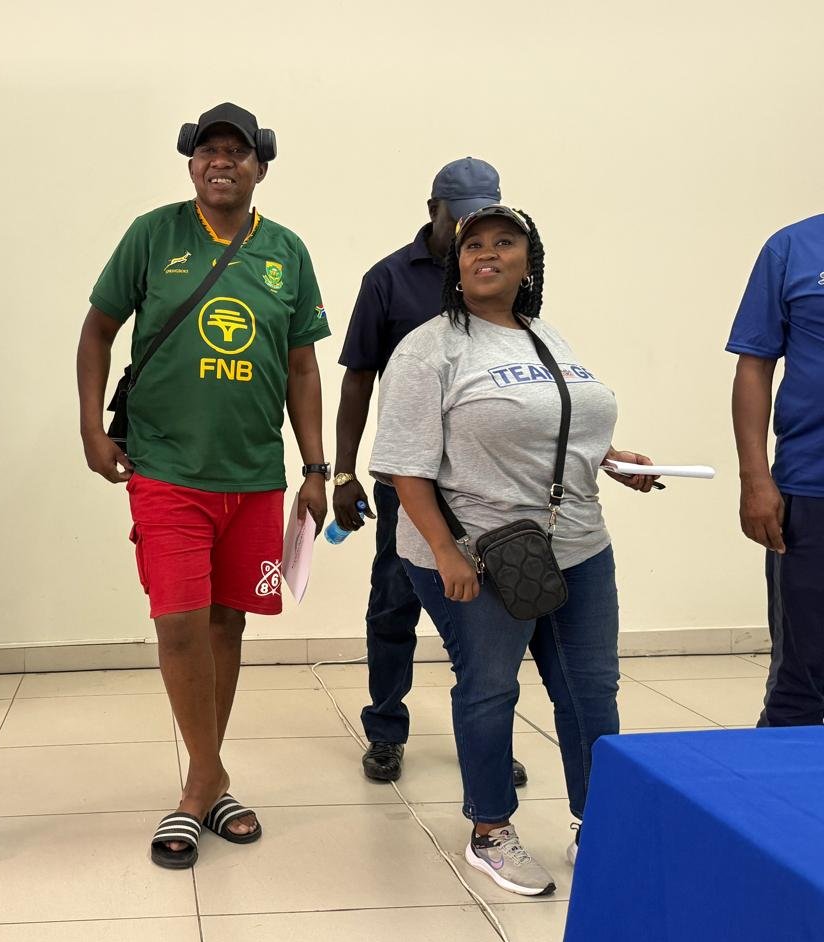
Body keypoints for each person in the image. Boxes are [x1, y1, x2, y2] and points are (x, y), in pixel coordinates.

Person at [369, 204, 657, 896]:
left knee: (591, 689)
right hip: (479, 551)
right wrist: (446, 552)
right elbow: (405, 467)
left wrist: (610, 457)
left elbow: (555, 425)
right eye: (474, 244)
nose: (487, 253)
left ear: (529, 263)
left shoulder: (544, 334)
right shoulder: (430, 348)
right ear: (456, 263)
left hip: (578, 543)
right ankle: (490, 830)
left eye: (505, 242)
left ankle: (599, 821)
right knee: (491, 686)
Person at [76, 103, 330, 869]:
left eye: (238, 152)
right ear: (192, 163)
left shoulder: (286, 251)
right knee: (179, 623)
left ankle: (204, 777)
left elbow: (303, 367)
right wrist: (91, 426)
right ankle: (205, 785)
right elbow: (97, 329)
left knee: (227, 625)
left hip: (253, 474)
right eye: (208, 151)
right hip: (166, 469)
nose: (222, 162)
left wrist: (315, 468)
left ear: (260, 167)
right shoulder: (154, 235)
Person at [333, 158, 526, 788]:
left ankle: (487, 738)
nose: (474, 236)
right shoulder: (389, 279)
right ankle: (386, 729)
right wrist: (343, 474)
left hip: (487, 483)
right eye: (460, 220)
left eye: (485, 220)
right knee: (394, 604)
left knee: (496, 613)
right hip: (408, 481)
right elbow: (358, 379)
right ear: (432, 211)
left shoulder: (505, 275)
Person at [729, 214, 824, 727]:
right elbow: (754, 365)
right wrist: (755, 478)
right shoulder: (793, 248)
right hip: (811, 489)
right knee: (802, 681)